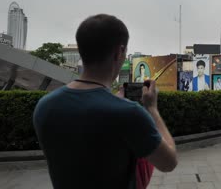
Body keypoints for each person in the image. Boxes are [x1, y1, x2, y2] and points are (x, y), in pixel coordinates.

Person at [33, 14, 177, 189]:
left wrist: (113, 101)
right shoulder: (129, 114)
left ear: (81, 50)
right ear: (119, 52)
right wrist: (152, 109)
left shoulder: (45, 107)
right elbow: (169, 162)